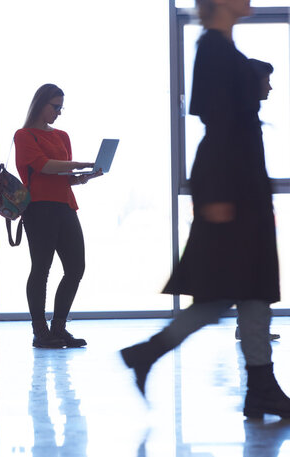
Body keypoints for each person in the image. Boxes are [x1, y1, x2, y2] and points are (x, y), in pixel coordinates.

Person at [120, 0, 290, 419]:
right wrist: (212, 196)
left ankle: (260, 389)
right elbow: (217, 127)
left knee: (249, 292)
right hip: (233, 194)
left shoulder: (222, 48)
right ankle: (150, 355)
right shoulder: (212, 49)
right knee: (228, 293)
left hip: (243, 190)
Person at [14, 83, 100, 349]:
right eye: (55, 107)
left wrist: (82, 177)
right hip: (38, 208)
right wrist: (78, 165)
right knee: (41, 269)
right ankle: (40, 331)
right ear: (40, 104)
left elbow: (60, 176)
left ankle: (59, 328)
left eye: (61, 108)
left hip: (64, 205)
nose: (58, 113)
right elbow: (43, 166)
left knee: (76, 267)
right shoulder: (24, 135)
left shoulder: (62, 136)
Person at [235, 58, 279, 341]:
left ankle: (251, 326)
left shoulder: (247, 116)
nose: (271, 87)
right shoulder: (241, 119)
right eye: (266, 81)